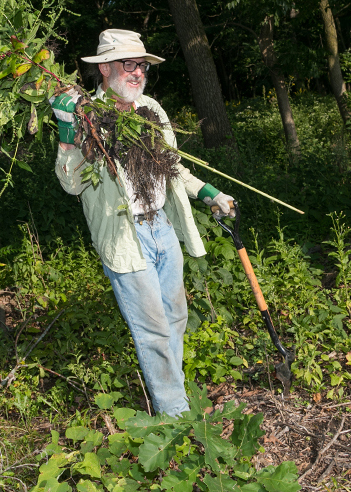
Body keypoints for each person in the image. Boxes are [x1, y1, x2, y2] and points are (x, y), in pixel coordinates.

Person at [53, 29, 235, 416]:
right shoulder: (85, 115)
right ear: (105, 68)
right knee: (152, 329)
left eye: (142, 65)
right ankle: (176, 416)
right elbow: (70, 184)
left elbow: (173, 166)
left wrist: (209, 193)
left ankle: (174, 396)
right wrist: (68, 132)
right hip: (125, 234)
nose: (137, 72)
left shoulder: (151, 109)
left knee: (176, 317)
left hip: (163, 229)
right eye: (128, 64)